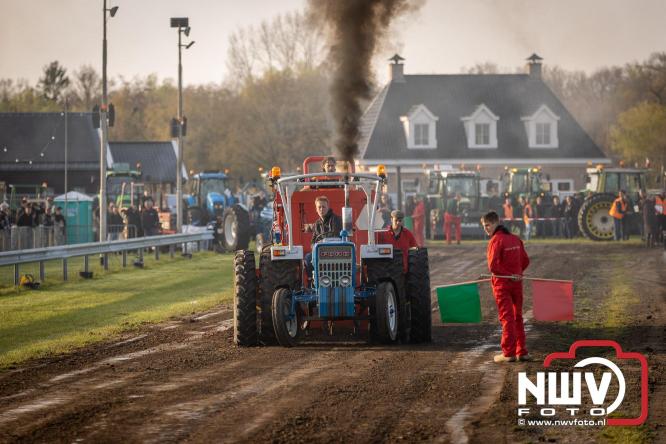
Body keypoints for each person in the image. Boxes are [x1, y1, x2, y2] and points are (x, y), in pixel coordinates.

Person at [481, 211, 530, 363]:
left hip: (502, 285)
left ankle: (508, 353)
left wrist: (508, 274)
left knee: (507, 318)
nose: (486, 229)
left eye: (487, 225)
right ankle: (521, 351)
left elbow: (493, 266)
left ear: (496, 223)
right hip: (517, 284)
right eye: (484, 226)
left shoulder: (495, 241)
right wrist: (517, 273)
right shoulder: (515, 239)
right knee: (517, 317)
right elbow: (526, 260)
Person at [304, 195, 343, 278]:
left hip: (336, 251)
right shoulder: (317, 224)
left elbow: (338, 236)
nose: (321, 209)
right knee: (308, 258)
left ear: (328, 207)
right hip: (321, 252)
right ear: (316, 209)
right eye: (319, 207)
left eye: (324, 207)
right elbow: (313, 241)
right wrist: (314, 245)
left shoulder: (337, 220)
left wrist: (323, 241)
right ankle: (313, 281)